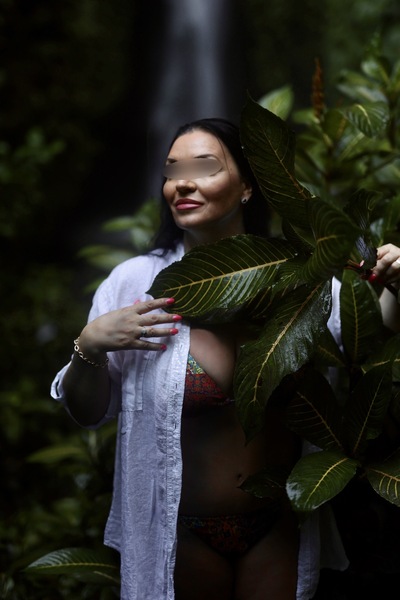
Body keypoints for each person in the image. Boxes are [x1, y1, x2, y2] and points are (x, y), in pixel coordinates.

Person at [51, 118, 400, 600]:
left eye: (203, 167)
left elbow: (374, 350)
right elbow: (88, 412)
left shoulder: (302, 280)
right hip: (182, 532)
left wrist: (394, 285)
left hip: (277, 526)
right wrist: (88, 346)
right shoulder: (134, 284)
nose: (181, 183)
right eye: (172, 170)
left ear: (248, 187)